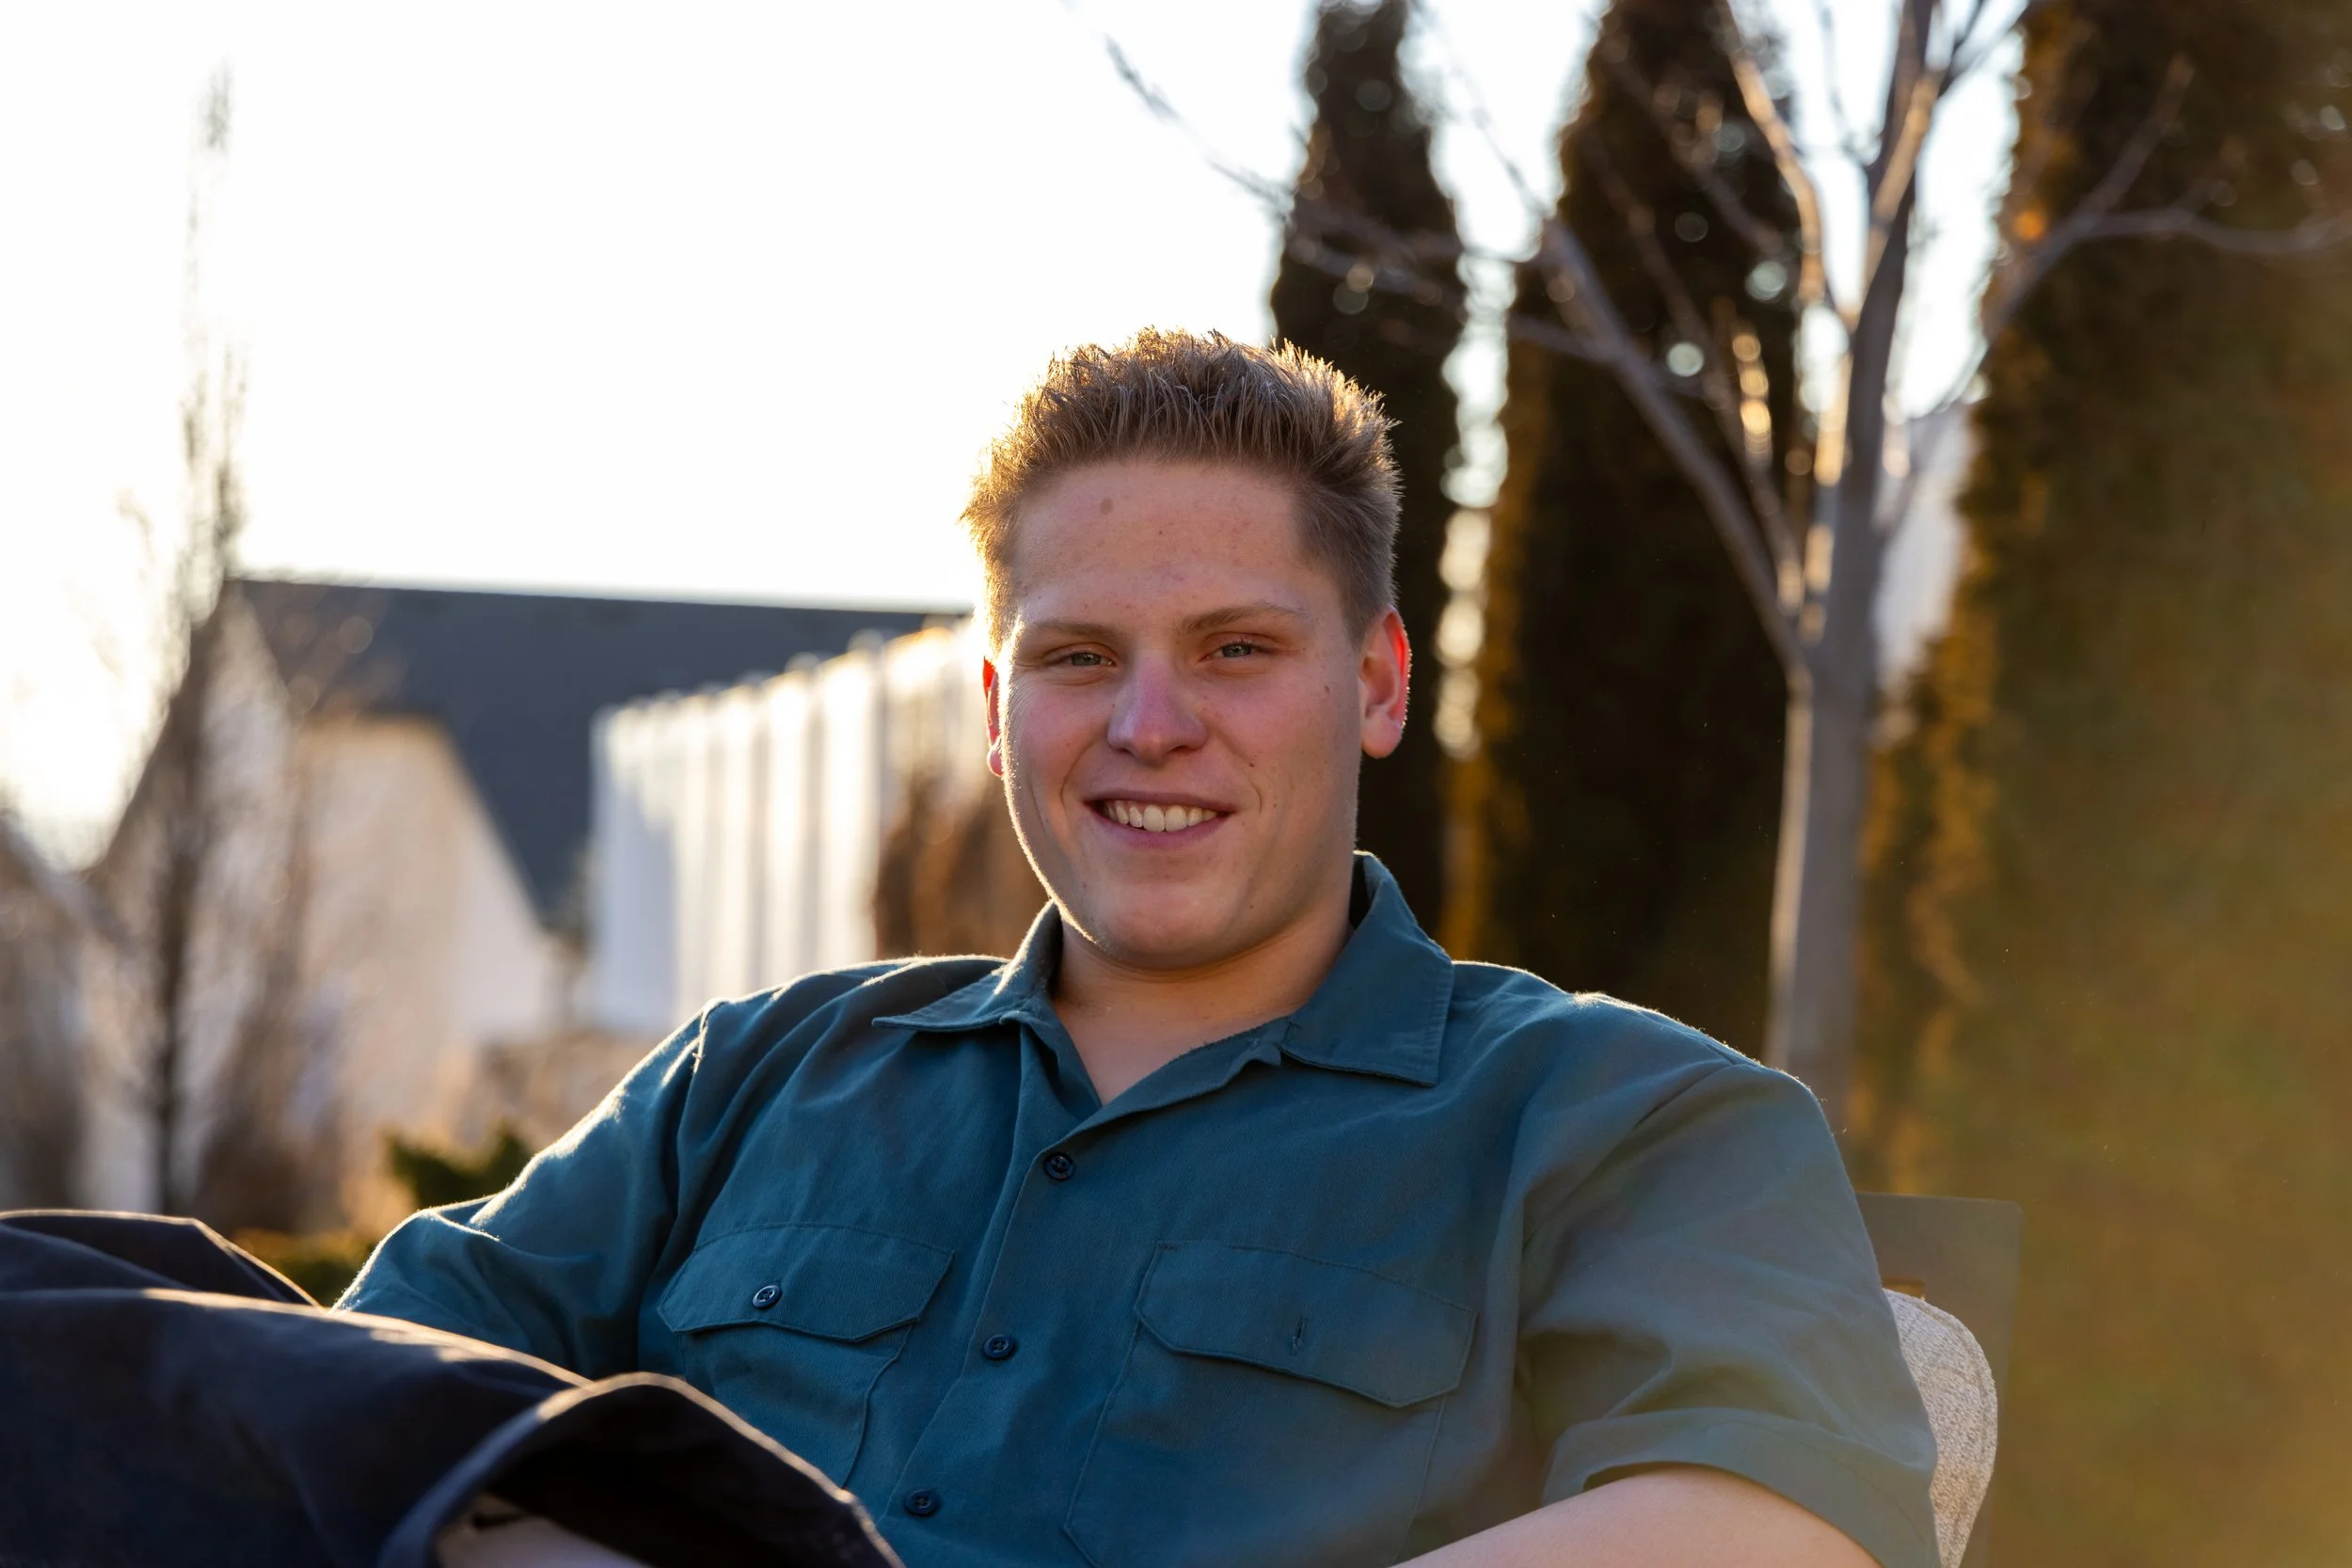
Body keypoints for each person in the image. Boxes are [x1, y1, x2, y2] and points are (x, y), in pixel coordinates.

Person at [344, 329, 1938, 1568]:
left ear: (1379, 683)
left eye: (1237, 650)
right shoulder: (746, 1081)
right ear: (995, 711)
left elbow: (1782, 1519)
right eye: (1079, 657)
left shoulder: (1623, 1120)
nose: (1149, 726)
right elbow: (345, 1402)